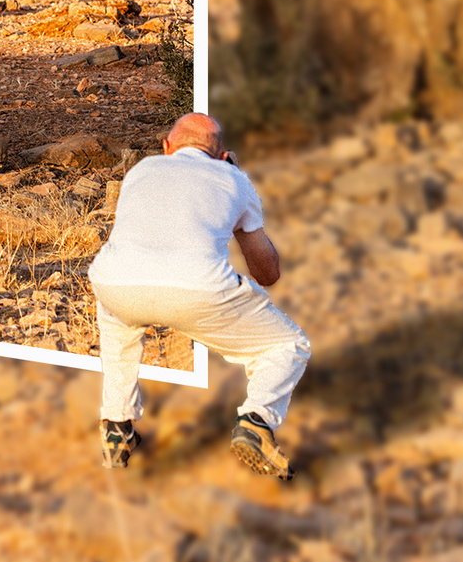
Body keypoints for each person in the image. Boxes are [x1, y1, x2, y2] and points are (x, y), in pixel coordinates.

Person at [87, 112, 310, 478]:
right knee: (288, 345)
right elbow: (267, 273)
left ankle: (117, 425)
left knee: (117, 320)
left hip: (114, 282)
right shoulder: (233, 178)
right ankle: (256, 421)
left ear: (167, 147)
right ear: (223, 156)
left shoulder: (141, 171)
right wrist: (237, 190)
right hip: (199, 290)